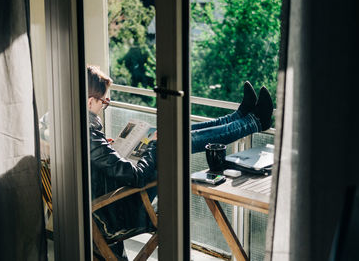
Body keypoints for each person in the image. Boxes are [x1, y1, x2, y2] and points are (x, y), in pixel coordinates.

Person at [87, 65, 273, 260]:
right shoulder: (90, 136)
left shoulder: (78, 127)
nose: (104, 106)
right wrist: (153, 146)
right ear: (91, 101)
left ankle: (239, 118)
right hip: (120, 210)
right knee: (172, 141)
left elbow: (102, 165)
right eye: (104, 102)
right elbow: (137, 177)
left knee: (171, 135)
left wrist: (113, 148)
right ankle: (253, 121)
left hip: (113, 201)